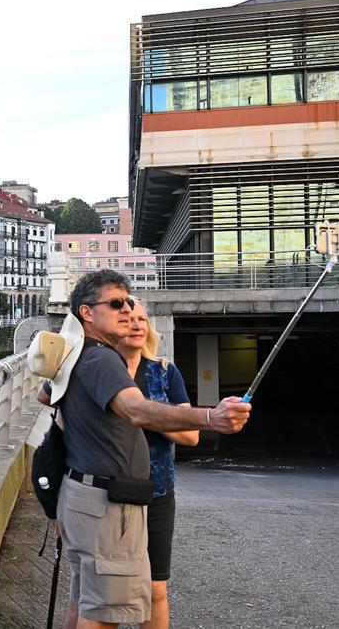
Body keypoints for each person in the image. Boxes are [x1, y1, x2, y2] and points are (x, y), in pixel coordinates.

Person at [37, 269, 250, 628]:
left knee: (88, 601)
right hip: (106, 505)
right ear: (87, 313)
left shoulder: (77, 356)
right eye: (116, 304)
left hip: (85, 495)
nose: (126, 311)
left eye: (129, 303)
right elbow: (135, 410)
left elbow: (45, 396)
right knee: (104, 614)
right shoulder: (102, 359)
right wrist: (211, 416)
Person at [54, 298, 197, 629]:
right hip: (104, 497)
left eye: (142, 319)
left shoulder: (164, 372)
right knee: (87, 595)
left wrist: (143, 412)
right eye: (128, 318)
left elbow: (191, 436)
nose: (135, 324)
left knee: (156, 590)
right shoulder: (93, 366)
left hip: (156, 493)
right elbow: (50, 401)